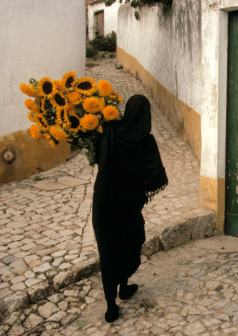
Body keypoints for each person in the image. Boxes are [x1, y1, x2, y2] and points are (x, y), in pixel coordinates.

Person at [92, 94, 168, 323]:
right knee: (130, 242)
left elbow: (97, 157)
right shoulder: (145, 141)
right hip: (127, 207)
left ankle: (113, 303)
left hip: (104, 204)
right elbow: (155, 176)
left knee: (109, 252)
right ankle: (119, 291)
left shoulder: (111, 132)